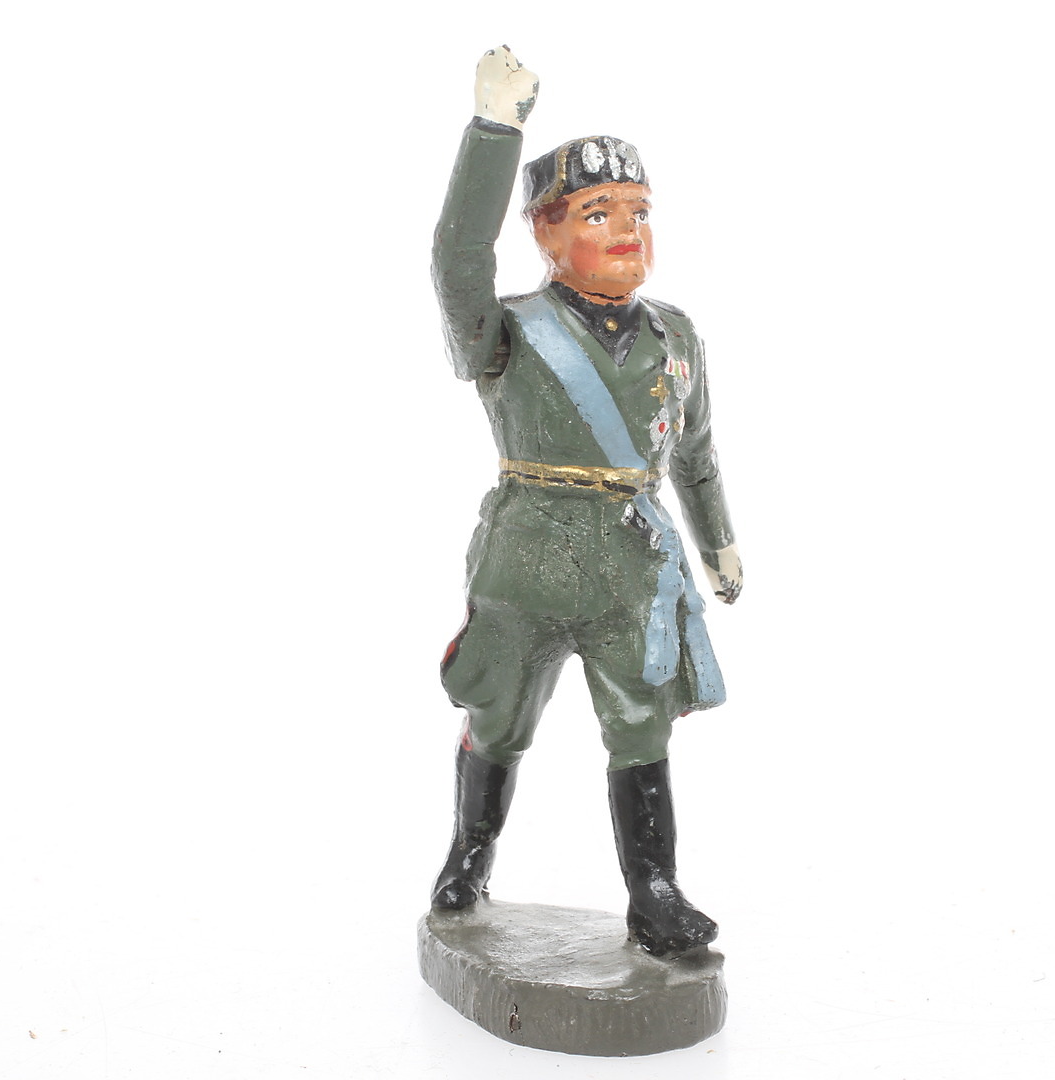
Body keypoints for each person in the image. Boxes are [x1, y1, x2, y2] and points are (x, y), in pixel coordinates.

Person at [429, 47, 743, 959]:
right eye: (598, 212)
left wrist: (718, 544)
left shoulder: (677, 335)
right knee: (497, 718)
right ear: (545, 231)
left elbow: (695, 453)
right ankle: (468, 856)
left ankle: (654, 891)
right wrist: (494, 129)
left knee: (641, 731)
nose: (627, 230)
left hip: (631, 567)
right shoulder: (508, 333)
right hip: (526, 560)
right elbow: (455, 259)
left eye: (639, 212)